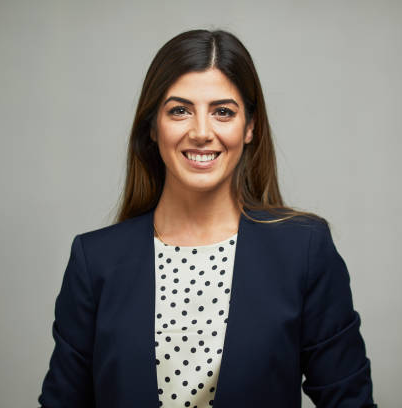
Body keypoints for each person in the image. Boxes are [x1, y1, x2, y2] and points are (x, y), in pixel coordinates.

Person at [38, 29, 376, 408]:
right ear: (152, 127)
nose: (201, 132)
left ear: (250, 127)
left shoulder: (304, 250)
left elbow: (350, 402)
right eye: (179, 110)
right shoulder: (94, 260)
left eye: (223, 112)